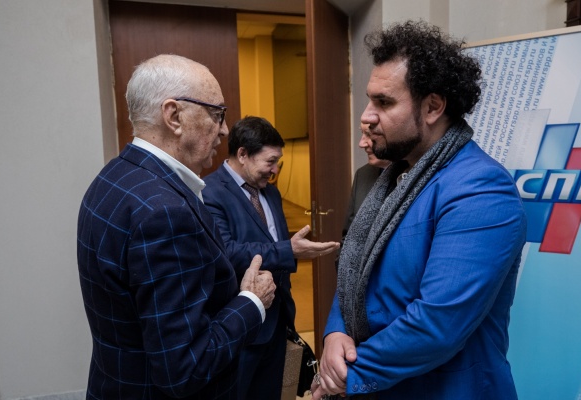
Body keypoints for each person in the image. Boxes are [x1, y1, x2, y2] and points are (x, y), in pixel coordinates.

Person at [311, 20, 527, 399]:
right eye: (370, 100)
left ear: (432, 107)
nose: (367, 116)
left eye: (384, 102)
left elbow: (437, 324)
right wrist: (335, 333)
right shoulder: (393, 179)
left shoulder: (482, 189)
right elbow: (356, 274)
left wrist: (345, 375)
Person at [77, 54, 277, 399]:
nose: (224, 129)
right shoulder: (165, 213)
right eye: (216, 114)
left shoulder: (113, 176)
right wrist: (251, 302)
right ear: (174, 116)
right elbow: (185, 369)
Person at [202, 116, 340, 400]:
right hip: (241, 325)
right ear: (243, 154)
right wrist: (290, 251)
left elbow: (274, 246)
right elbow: (227, 253)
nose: (275, 170)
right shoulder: (209, 193)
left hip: (277, 321)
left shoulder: (271, 193)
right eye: (270, 161)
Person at [341, 123, 391, 240]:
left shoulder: (419, 176)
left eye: (369, 134)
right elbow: (348, 237)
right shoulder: (363, 174)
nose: (361, 143)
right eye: (362, 133)